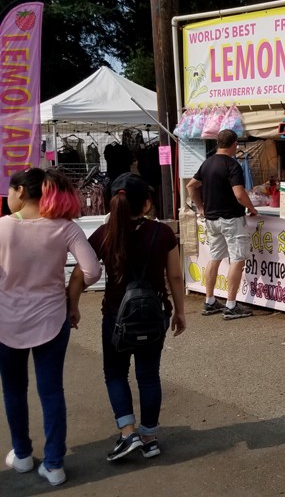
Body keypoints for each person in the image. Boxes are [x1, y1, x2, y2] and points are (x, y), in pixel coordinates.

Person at [69, 173, 186, 462]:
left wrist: (73, 305)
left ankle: (127, 433)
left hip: (115, 316)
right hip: (154, 313)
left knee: (115, 374)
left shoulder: (103, 234)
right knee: (148, 376)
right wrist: (180, 311)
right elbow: (174, 275)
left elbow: (79, 274)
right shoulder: (163, 233)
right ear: (146, 204)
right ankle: (149, 437)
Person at [0, 168, 101, 487]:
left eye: (9, 192)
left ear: (19, 191)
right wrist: (72, 301)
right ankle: (54, 464)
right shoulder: (66, 228)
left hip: (6, 323)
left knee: (14, 390)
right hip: (52, 319)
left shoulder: (2, 227)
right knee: (51, 390)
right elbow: (92, 271)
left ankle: (23, 454)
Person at [186, 129, 257, 320]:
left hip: (212, 219)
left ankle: (210, 301)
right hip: (231, 219)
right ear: (234, 144)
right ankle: (231, 305)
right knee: (237, 259)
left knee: (215, 257)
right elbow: (239, 194)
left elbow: (191, 186)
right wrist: (252, 208)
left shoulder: (207, 163)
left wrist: (201, 207)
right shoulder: (232, 164)